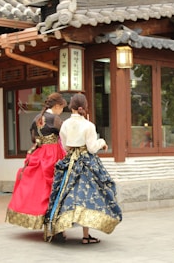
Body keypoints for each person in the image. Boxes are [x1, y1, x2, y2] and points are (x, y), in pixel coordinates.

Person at [44, 93, 122, 244]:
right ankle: (86, 236)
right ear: (84, 107)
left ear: (71, 106)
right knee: (87, 198)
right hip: (87, 163)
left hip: (70, 163)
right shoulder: (89, 125)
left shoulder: (65, 124)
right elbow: (92, 148)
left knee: (63, 194)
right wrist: (102, 142)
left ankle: (60, 229)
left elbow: (65, 146)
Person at [5, 92, 67, 230]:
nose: (62, 111)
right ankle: (52, 218)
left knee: (35, 186)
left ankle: (33, 214)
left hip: (38, 152)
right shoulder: (55, 119)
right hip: (52, 153)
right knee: (52, 186)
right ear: (57, 106)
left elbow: (33, 138)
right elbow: (65, 135)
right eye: (62, 107)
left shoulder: (36, 118)